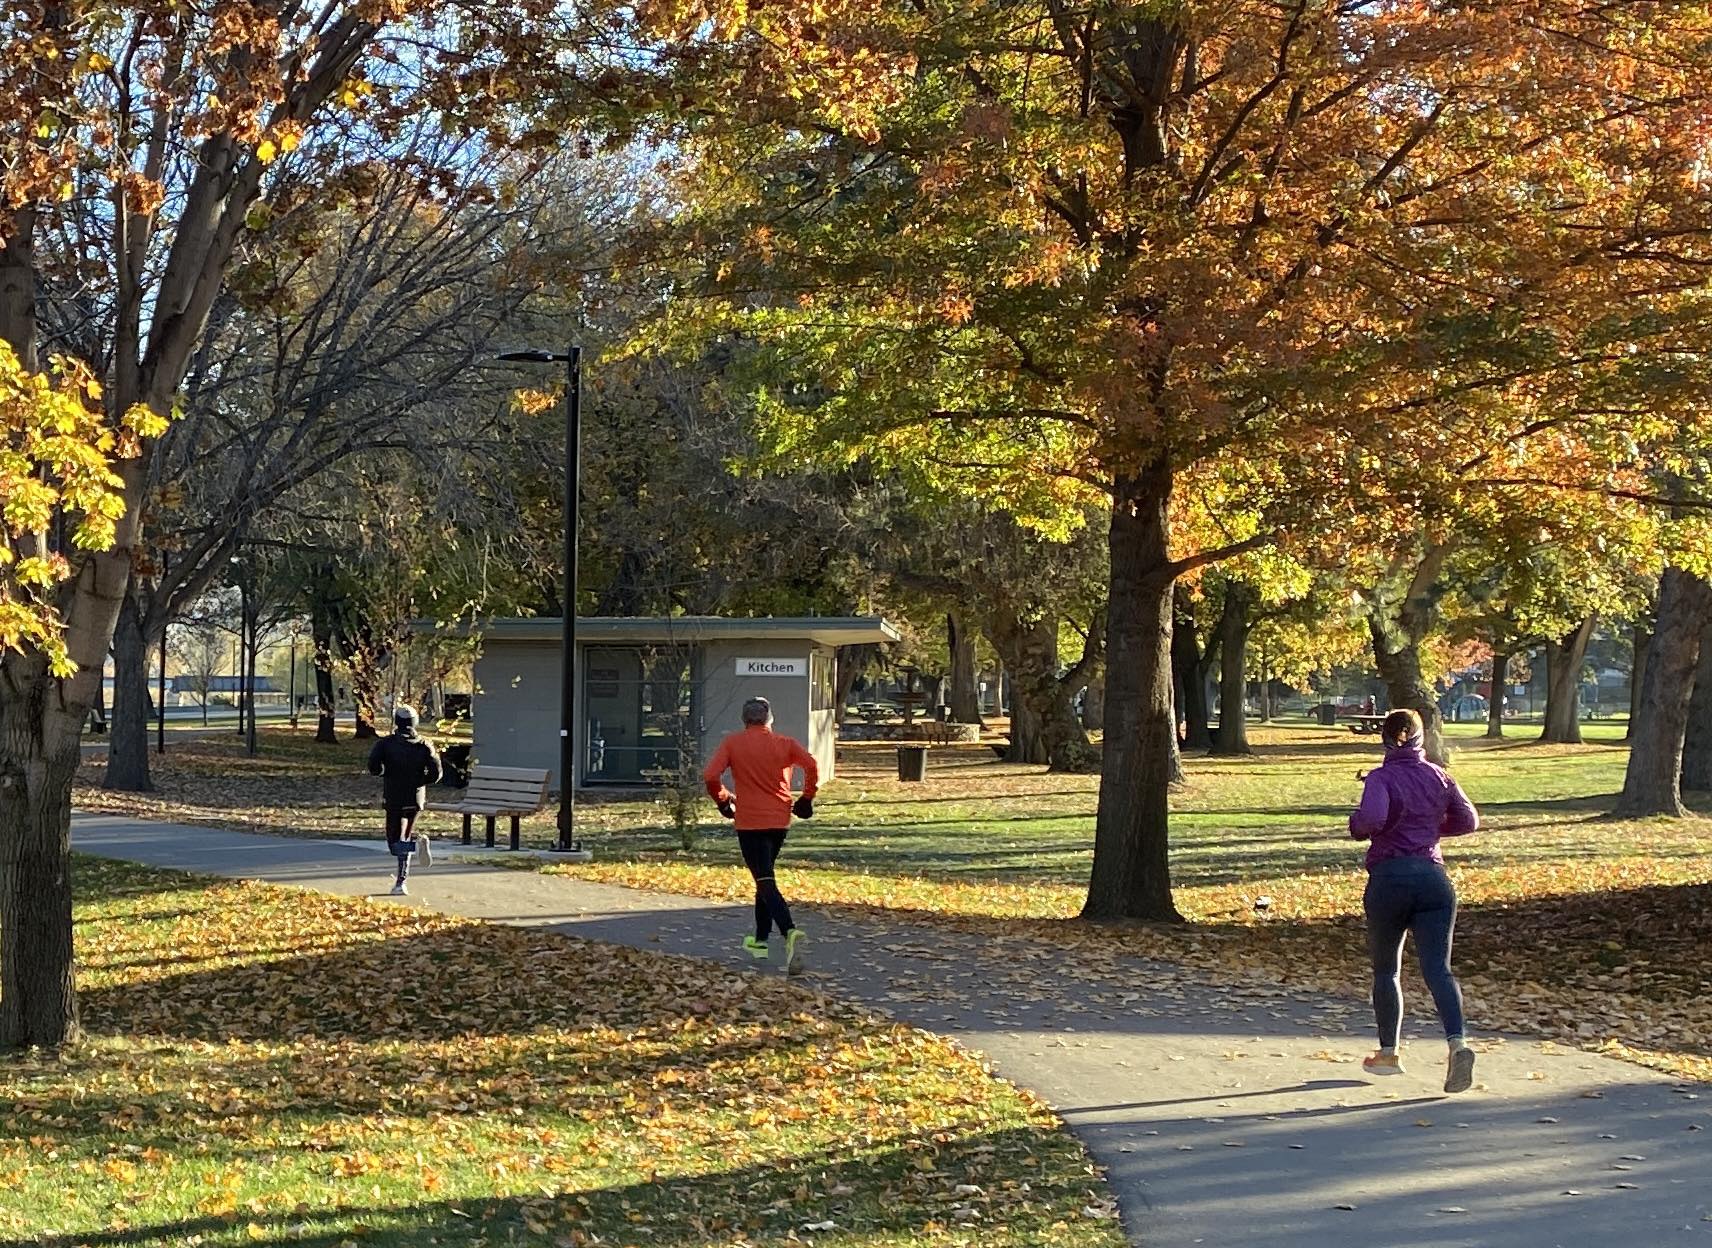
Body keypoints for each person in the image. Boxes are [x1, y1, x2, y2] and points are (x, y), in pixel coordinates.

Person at [1349, 707, 1481, 1092]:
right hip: (1433, 879)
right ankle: (1458, 1044)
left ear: (1385, 739)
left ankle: (1388, 1053)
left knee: (1386, 970)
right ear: (1422, 737)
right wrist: (1431, 829)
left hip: (1390, 878)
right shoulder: (1440, 775)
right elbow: (1469, 820)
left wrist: (1356, 824)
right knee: (1439, 969)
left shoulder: (1381, 777)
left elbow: (1372, 820)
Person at [702, 696, 818, 975]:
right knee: (763, 877)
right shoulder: (785, 744)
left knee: (764, 879)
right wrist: (807, 797)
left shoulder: (733, 743)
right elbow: (812, 765)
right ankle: (760, 940)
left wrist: (723, 800)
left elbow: (710, 776)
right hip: (779, 820)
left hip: (750, 821)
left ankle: (789, 932)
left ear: (744, 720)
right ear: (769, 719)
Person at [368, 704, 442, 896]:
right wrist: (420, 781)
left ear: (397, 722)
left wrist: (385, 772)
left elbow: (373, 767)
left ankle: (413, 850)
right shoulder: (424, 745)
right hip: (415, 798)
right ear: (415, 722)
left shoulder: (385, 744)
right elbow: (436, 773)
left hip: (393, 796)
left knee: (394, 841)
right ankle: (401, 882)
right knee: (405, 835)